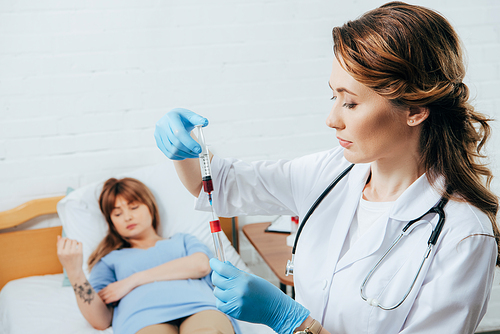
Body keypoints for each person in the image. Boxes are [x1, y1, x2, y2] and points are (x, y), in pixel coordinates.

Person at [154, 2, 500, 334]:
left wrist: (290, 321)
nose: (332, 119)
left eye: (350, 102)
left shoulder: (463, 236)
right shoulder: (330, 173)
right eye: (333, 96)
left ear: (414, 110)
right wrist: (185, 150)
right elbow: (218, 184)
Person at [57, 177, 237, 334]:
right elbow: (100, 320)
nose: (127, 217)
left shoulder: (182, 240)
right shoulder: (109, 260)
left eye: (133, 207)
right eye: (118, 213)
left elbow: (201, 265)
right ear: (111, 222)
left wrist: (132, 280)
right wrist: (74, 272)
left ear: (150, 207)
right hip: (142, 318)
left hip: (200, 307)